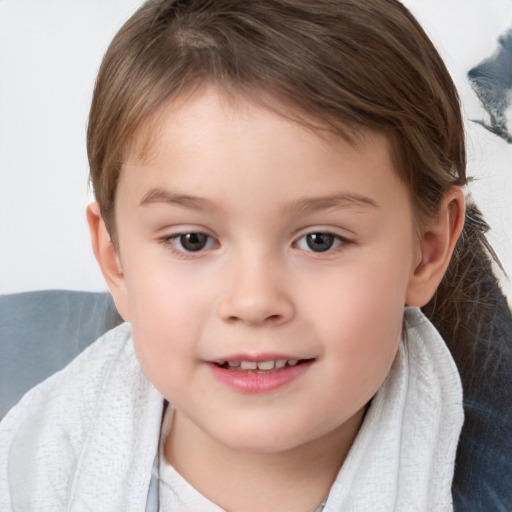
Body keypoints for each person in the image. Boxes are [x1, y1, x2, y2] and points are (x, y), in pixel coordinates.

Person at [1, 0, 511, 510]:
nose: (253, 301)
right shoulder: (27, 472)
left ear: (427, 251)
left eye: (320, 240)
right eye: (192, 240)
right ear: (116, 260)